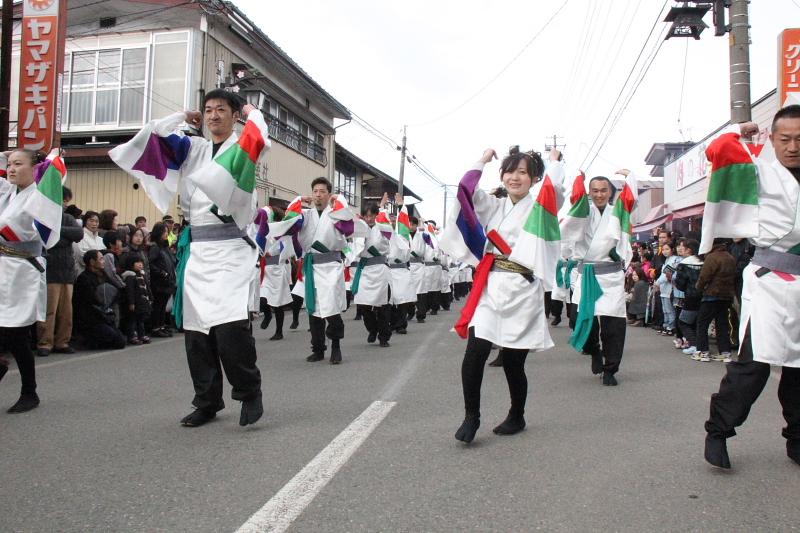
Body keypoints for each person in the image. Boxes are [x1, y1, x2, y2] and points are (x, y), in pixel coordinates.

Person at [110, 88, 269, 427]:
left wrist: (252, 112)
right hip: (197, 250)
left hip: (231, 249)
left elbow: (258, 135)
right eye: (208, 109)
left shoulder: (242, 145)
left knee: (230, 329)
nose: (213, 115)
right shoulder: (192, 148)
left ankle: (248, 390)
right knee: (197, 332)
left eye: (221, 109)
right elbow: (153, 136)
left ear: (233, 114)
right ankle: (207, 400)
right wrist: (182, 117)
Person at [441, 146, 564, 444]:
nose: (515, 177)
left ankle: (517, 414)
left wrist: (554, 162)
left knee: (512, 362)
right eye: (510, 171)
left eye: (523, 172)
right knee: (476, 351)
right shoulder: (495, 206)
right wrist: (481, 160)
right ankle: (472, 416)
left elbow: (556, 188)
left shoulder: (541, 205)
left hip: (522, 290)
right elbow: (465, 193)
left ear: (534, 178)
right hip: (491, 286)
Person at [701, 108, 800, 468]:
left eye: (799, 139)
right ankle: (718, 431)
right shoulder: (757, 166)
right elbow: (718, 151)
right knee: (754, 364)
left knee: (799, 368)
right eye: (785, 139)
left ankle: (797, 440)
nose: (792, 146)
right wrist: (736, 130)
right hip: (770, 280)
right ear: (772, 140)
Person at [269, 178, 356, 364]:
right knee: (313, 309)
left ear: (329, 194)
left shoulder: (336, 214)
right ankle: (318, 349)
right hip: (311, 267)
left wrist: (339, 203)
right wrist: (298, 200)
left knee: (331, 308)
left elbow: (348, 229)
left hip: (331, 266)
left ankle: (336, 346)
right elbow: (288, 224)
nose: (318, 194)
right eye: (315, 191)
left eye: (322, 191)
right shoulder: (305, 215)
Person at [563, 171, 637, 386]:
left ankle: (610, 369)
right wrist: (577, 178)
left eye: (604, 190)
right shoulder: (582, 211)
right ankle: (594, 350)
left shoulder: (618, 212)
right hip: (585, 274)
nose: (599, 194)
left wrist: (629, 177)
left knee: (613, 325)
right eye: (594, 190)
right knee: (579, 320)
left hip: (610, 275)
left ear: (611, 192)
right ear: (589, 192)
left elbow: (630, 199)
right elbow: (574, 207)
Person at [0, 149, 50, 413]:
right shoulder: (8, 193)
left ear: (35, 169)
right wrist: (7, 154)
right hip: (2, 268)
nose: (11, 168)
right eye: (9, 164)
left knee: (17, 334)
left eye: (18, 164)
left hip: (22, 270)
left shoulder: (40, 196)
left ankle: (29, 391)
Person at [36, 185, 84, 357]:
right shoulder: (43, 217)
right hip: (50, 269)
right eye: (62, 199)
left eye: (66, 200)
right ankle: (45, 342)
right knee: (49, 310)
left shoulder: (68, 218)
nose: (64, 203)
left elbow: (78, 234)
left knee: (66, 311)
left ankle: (62, 341)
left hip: (67, 270)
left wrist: (57, 231)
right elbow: (47, 240)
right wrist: (63, 236)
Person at [352, 200, 392, 347]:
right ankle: (372, 329)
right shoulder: (359, 230)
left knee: (382, 305)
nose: (369, 218)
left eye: (371, 215)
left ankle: (384, 336)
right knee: (363, 305)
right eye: (366, 216)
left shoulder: (383, 229)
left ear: (375, 215)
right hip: (365, 270)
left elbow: (390, 242)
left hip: (380, 270)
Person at [73, 249, 127, 350]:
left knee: (121, 341)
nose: (104, 261)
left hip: (104, 316)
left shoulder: (103, 276)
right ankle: (87, 339)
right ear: (92, 262)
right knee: (114, 338)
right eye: (101, 259)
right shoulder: (84, 279)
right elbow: (89, 302)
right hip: (91, 319)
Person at [694, 238, 736, 362]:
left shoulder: (712, 257)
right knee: (722, 324)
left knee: (702, 323)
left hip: (711, 295)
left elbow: (704, 277)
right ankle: (725, 352)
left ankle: (703, 351)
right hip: (727, 295)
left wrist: (699, 288)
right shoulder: (730, 257)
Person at [674, 239, 704, 358]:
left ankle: (694, 344)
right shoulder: (703, 262)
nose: (681, 249)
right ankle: (700, 346)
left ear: (689, 250)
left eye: (683, 247)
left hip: (690, 296)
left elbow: (680, 283)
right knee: (698, 322)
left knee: (683, 321)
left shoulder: (684, 264)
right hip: (703, 296)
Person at [147, 221, 176, 338]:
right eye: (164, 232)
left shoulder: (164, 247)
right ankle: (156, 327)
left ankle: (162, 325)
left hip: (167, 281)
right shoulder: (155, 247)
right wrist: (162, 273)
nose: (166, 234)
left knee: (163, 305)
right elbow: (151, 263)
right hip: (159, 282)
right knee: (158, 305)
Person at [121, 255, 152, 345]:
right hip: (135, 303)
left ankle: (141, 335)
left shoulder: (142, 274)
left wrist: (150, 297)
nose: (140, 264)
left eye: (141, 262)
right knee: (132, 320)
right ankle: (132, 336)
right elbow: (130, 291)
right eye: (137, 262)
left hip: (143, 302)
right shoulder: (130, 276)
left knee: (140, 320)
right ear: (131, 264)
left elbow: (147, 287)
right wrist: (131, 303)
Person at [653, 241, 680, 336]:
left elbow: (665, 275)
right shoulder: (667, 260)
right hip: (663, 288)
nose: (664, 251)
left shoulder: (674, 260)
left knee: (669, 309)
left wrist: (657, 283)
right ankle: (666, 325)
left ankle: (671, 327)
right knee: (665, 309)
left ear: (672, 249)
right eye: (663, 249)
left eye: (667, 249)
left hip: (669, 288)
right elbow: (663, 274)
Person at [408, 215, 428, 323]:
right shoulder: (403, 235)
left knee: (420, 292)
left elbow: (430, 238)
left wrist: (423, 225)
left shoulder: (421, 235)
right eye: (409, 224)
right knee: (408, 290)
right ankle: (410, 312)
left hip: (419, 265)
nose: (410, 226)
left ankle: (420, 315)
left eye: (412, 224)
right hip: (407, 266)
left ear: (416, 225)